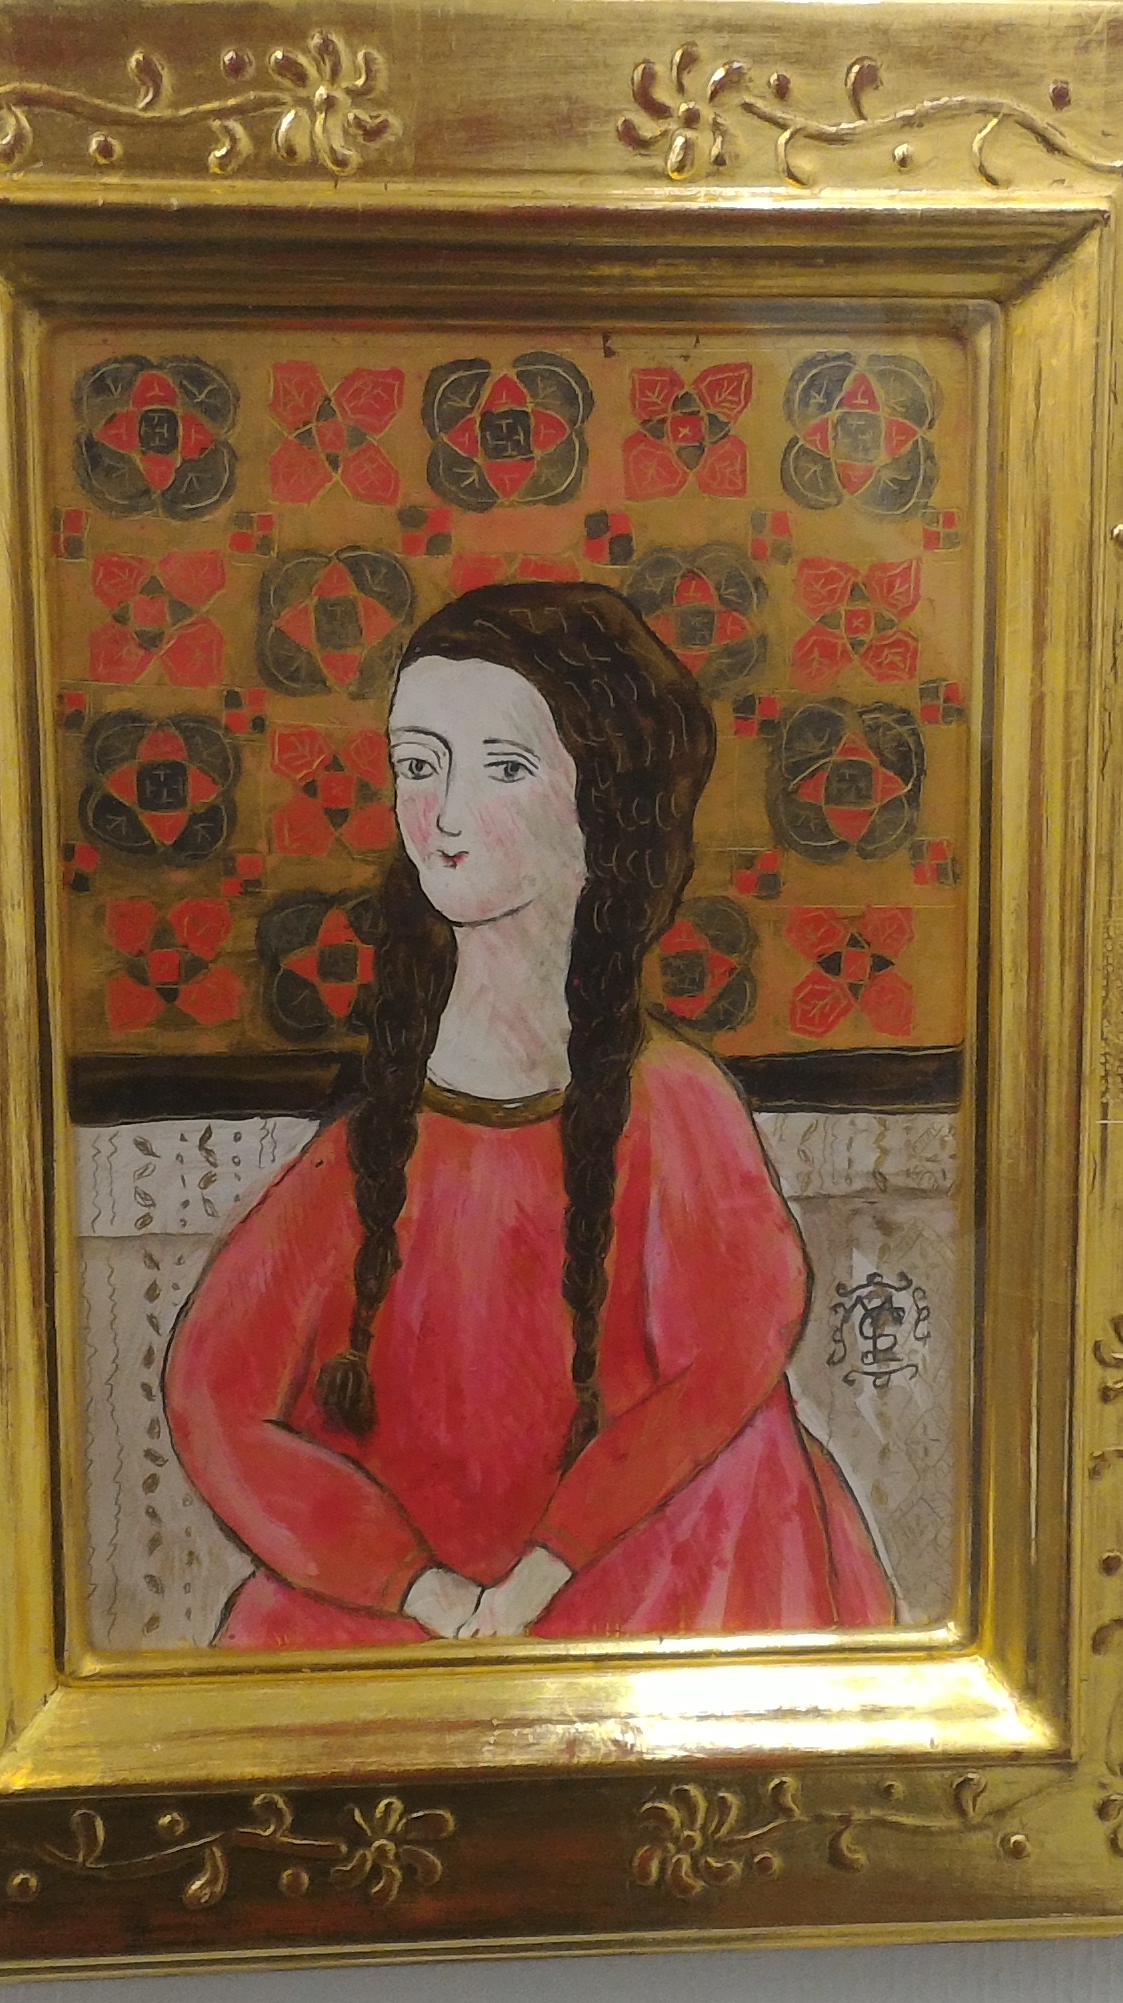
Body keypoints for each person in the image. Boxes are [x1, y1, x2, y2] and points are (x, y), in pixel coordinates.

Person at [163, 581, 896, 1647]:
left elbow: (727, 1360)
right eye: (419, 764)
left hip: (653, 1578)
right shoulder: (372, 1149)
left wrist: (541, 1575)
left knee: (744, 1465)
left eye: (502, 768)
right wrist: (420, 1590)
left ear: (602, 805)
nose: (446, 816)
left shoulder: (673, 1107)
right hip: (417, 1608)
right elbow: (213, 1395)